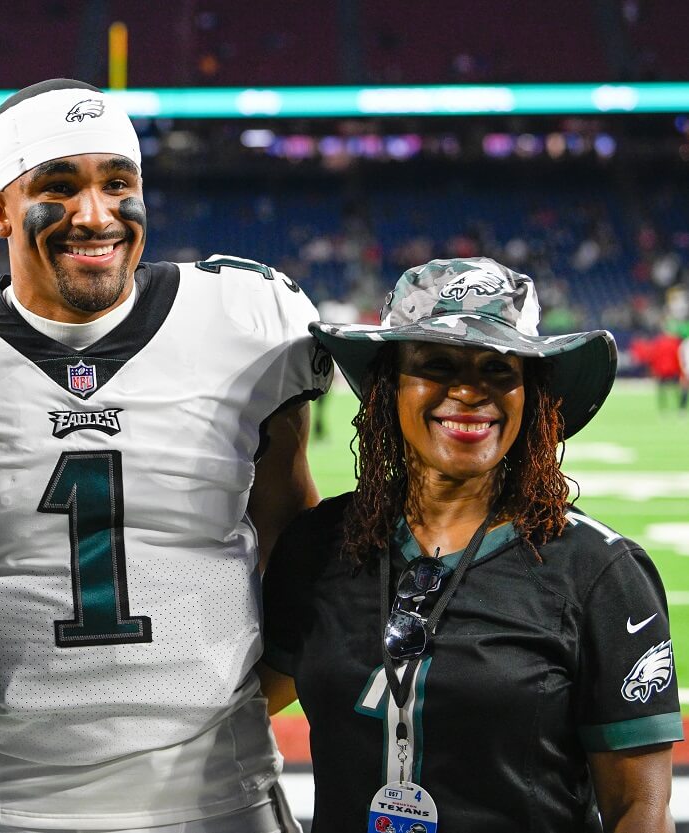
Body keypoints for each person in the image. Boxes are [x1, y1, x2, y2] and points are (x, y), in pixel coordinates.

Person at [0, 78, 332, 833]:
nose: (96, 214)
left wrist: (232, 697)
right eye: (58, 187)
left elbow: (296, 532)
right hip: (8, 801)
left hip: (220, 796)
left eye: (117, 183)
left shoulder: (251, 319)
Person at [262, 257, 680, 832]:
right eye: (436, 364)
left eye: (498, 369)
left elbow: (639, 807)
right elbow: (244, 700)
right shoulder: (320, 545)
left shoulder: (600, 571)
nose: (467, 391)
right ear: (388, 385)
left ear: (530, 394)